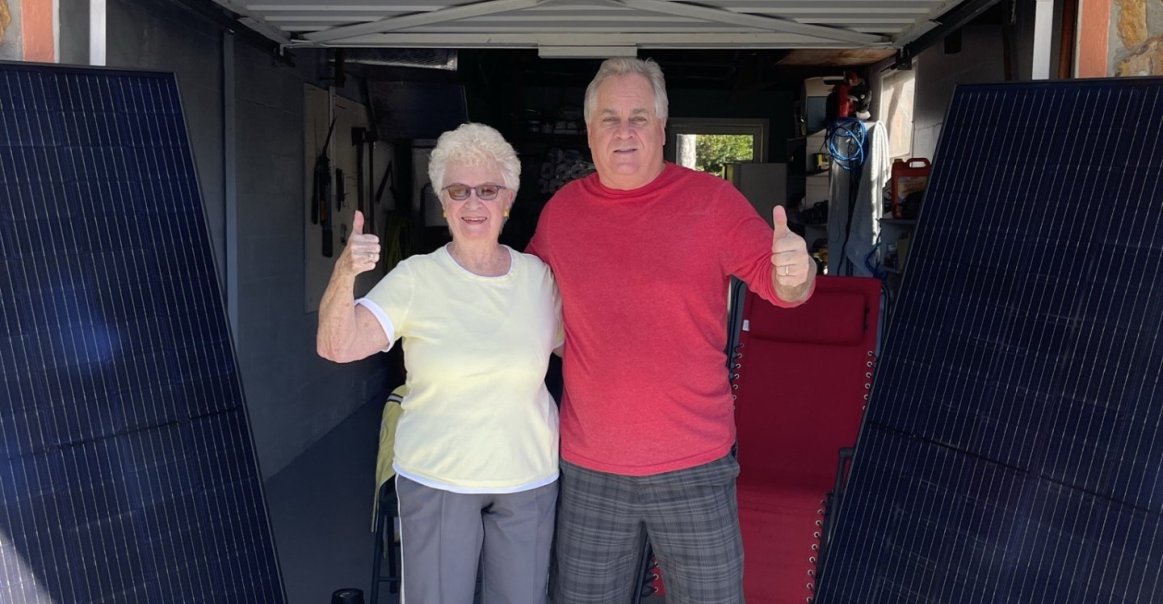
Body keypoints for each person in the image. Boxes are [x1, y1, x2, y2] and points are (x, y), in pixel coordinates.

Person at [526, 58, 815, 603]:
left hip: (695, 467)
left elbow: (783, 288)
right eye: (609, 118)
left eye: (639, 116)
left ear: (663, 127)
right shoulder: (561, 215)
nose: (625, 131)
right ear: (589, 133)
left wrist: (800, 271)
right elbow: (526, 307)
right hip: (591, 469)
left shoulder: (712, 204)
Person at [317, 123, 562, 603]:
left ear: (508, 198)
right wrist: (345, 271)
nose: (474, 204)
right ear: (442, 200)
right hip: (438, 477)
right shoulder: (416, 278)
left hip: (528, 477)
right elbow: (337, 346)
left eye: (488, 190)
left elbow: (585, 350)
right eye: (458, 191)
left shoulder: (538, 278)